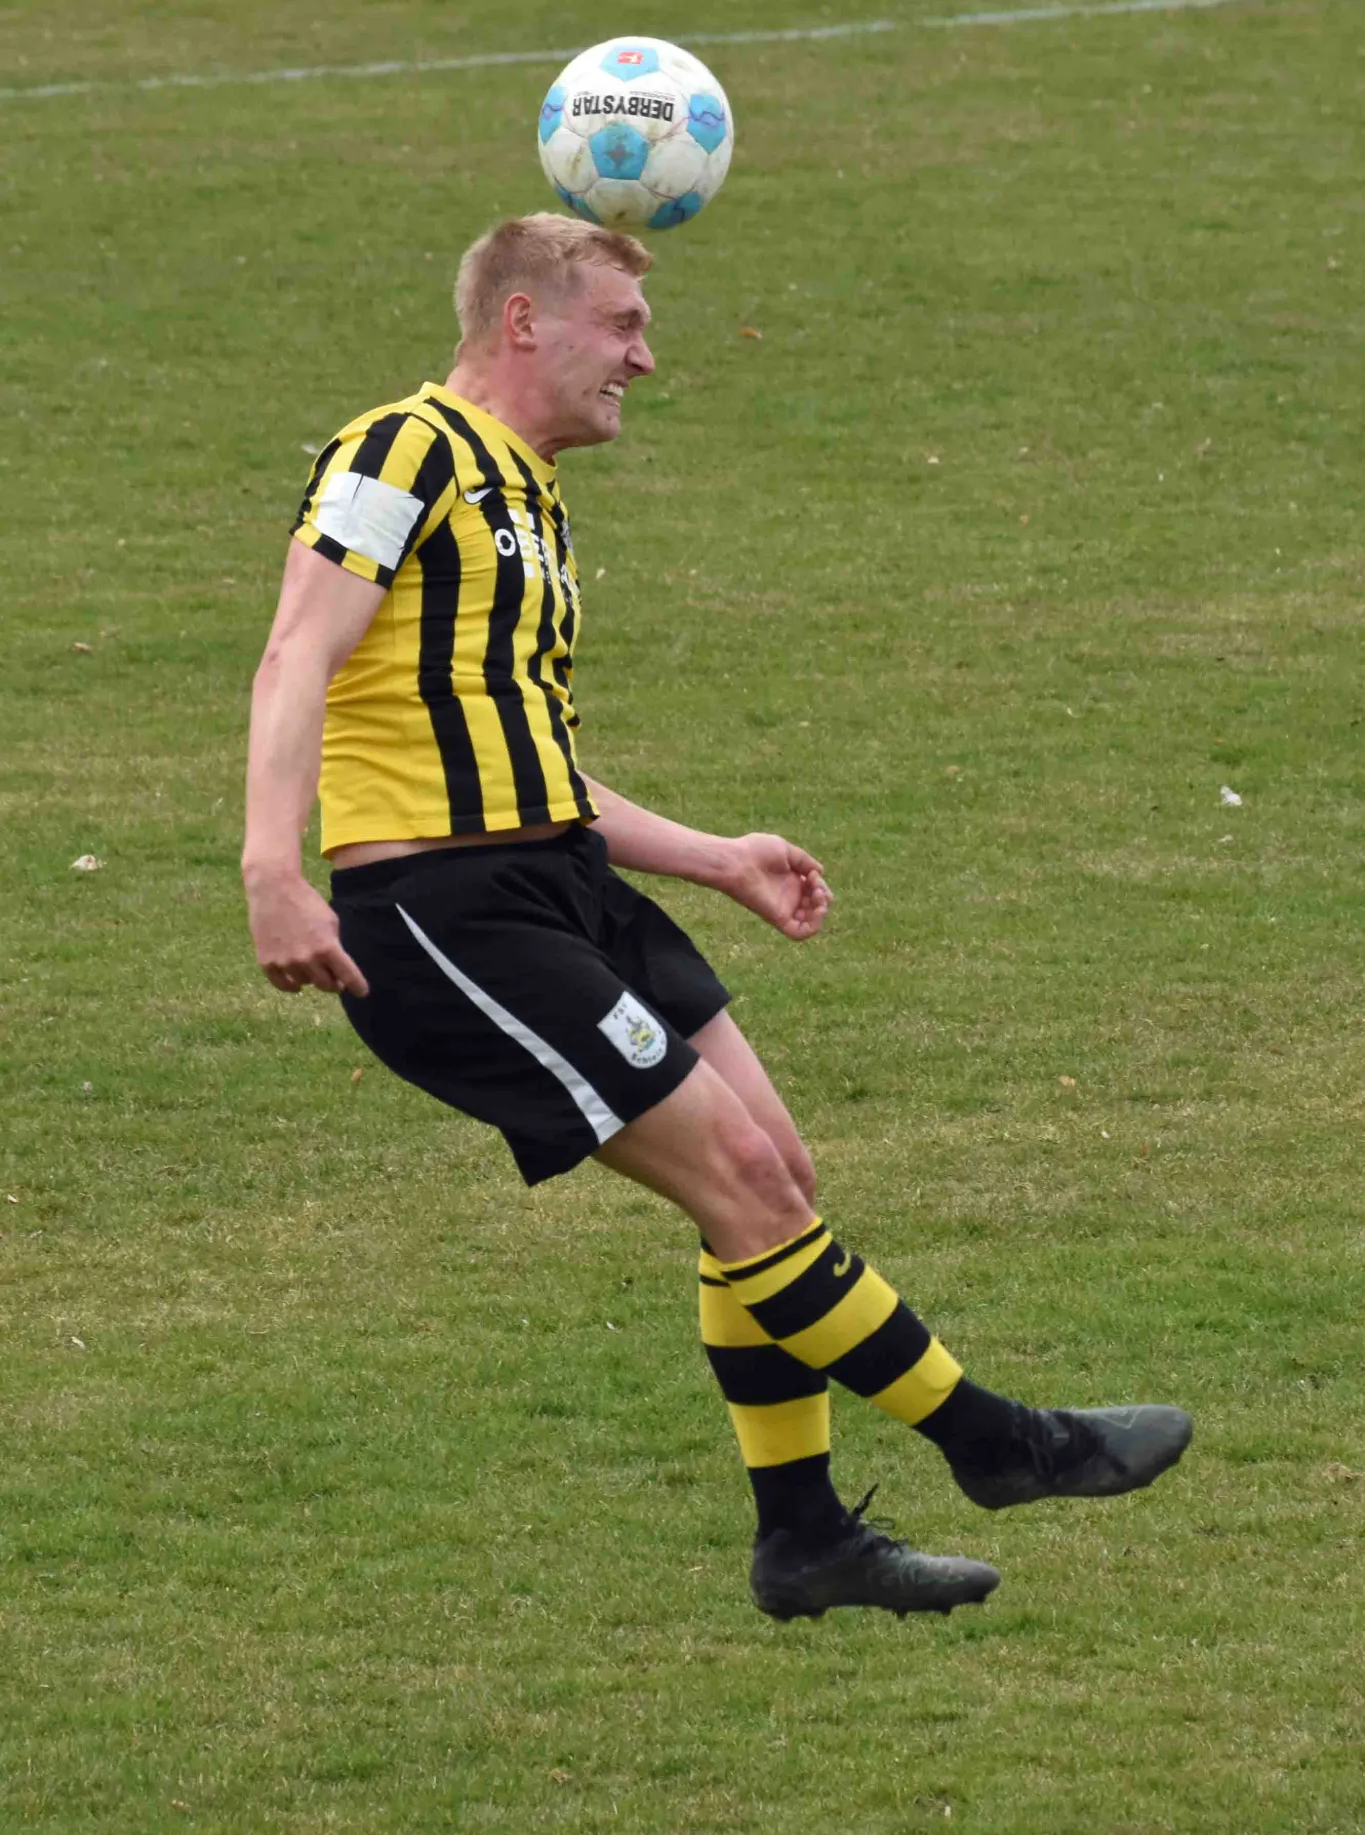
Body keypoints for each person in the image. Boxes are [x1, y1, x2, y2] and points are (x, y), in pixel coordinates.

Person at [243, 213, 1191, 1621]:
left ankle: (806, 1542)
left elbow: (527, 757)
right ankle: (1002, 1444)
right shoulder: (403, 451)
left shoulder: (527, 496)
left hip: (559, 880)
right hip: (445, 907)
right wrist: (271, 866)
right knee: (741, 1177)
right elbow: (296, 647)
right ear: (523, 321)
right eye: (623, 326)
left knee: (774, 1178)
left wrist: (714, 858)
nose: (645, 358)